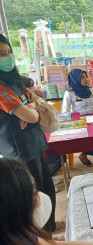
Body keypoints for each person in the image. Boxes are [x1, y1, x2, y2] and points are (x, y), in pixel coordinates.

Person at [0, 34, 56, 233]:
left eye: (8, 52)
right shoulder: (1, 88)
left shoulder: (14, 81)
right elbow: (32, 116)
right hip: (19, 152)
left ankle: (50, 231)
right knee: (33, 199)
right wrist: (31, 108)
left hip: (34, 143)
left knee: (47, 188)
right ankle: (39, 241)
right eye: (1, 54)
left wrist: (29, 106)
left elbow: (34, 100)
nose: (6, 57)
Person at [62, 69, 93, 166]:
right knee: (84, 137)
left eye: (86, 76)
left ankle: (86, 153)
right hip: (79, 122)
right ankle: (84, 154)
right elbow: (64, 112)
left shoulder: (91, 90)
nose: (85, 79)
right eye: (82, 77)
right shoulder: (69, 93)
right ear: (75, 79)